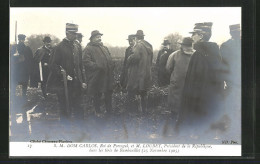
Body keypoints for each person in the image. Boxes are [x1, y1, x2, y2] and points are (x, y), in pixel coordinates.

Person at [177, 22, 224, 136]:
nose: (192, 37)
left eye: (194, 34)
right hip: (203, 99)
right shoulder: (206, 53)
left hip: (200, 99)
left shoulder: (202, 54)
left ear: (201, 36)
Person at [47, 23, 84, 120]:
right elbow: (52, 65)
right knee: (64, 107)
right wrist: (63, 74)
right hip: (63, 84)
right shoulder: (59, 47)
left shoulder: (77, 46)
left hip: (76, 83)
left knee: (78, 106)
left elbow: (80, 65)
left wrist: (83, 80)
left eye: (76, 33)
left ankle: (79, 130)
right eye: (73, 33)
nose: (75, 36)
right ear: (67, 33)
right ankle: (65, 130)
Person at [82, 30, 114, 116]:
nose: (99, 38)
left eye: (100, 37)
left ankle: (109, 111)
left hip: (107, 75)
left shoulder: (104, 48)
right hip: (96, 76)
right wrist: (97, 66)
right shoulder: (88, 48)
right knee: (97, 93)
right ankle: (98, 111)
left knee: (108, 93)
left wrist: (110, 65)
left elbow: (109, 58)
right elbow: (86, 61)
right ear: (92, 39)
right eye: (97, 37)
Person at [166, 37, 195, 120]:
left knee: (175, 104)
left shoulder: (174, 55)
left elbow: (168, 68)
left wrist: (175, 76)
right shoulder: (196, 54)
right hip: (191, 83)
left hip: (177, 83)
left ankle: (174, 121)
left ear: (182, 45)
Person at [220, 24, 241, 132]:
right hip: (233, 82)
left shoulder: (226, 45)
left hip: (235, 81)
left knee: (234, 106)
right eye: (237, 32)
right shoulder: (226, 46)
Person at [10, 34, 33, 132]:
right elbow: (10, 59)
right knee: (17, 90)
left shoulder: (25, 48)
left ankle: (20, 101)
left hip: (21, 72)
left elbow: (30, 60)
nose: (21, 40)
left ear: (23, 39)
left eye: (22, 39)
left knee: (22, 91)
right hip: (18, 72)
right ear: (19, 39)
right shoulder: (14, 48)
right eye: (20, 39)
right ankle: (18, 101)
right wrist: (15, 57)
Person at [126, 30, 153, 113]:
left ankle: (134, 111)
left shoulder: (138, 45)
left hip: (138, 73)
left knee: (133, 91)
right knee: (144, 92)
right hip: (146, 73)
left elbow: (136, 57)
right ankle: (144, 111)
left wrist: (129, 58)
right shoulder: (149, 46)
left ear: (136, 37)